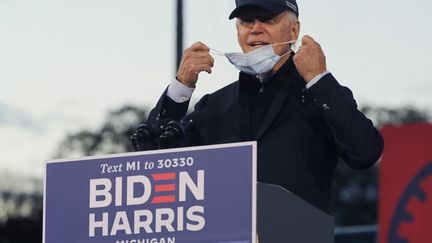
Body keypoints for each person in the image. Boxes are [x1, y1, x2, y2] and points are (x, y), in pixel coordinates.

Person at [144, 0, 384, 213]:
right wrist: (180, 87)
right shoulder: (216, 105)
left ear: (294, 29)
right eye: (246, 20)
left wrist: (319, 80)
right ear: (237, 30)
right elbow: (156, 161)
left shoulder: (321, 96)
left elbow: (365, 152)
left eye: (267, 18)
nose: (255, 28)